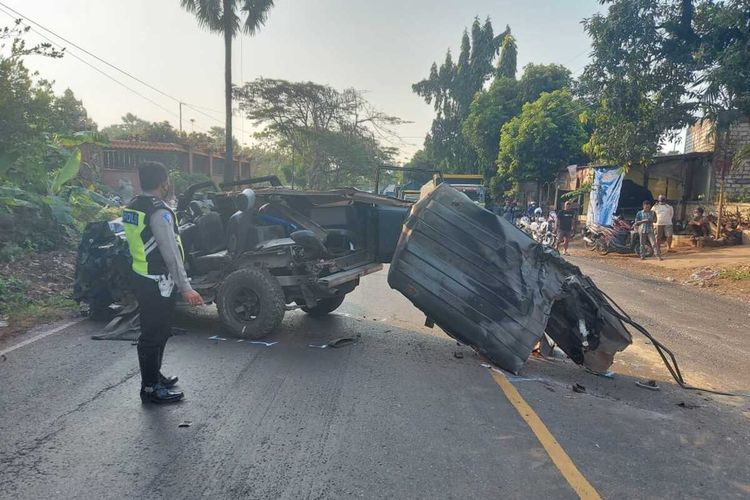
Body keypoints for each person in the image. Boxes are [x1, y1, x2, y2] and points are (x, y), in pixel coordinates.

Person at [123, 162, 204, 404]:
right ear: (164, 183)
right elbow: (170, 253)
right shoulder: (159, 212)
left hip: (141, 274)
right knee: (153, 334)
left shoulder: (133, 206)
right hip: (158, 281)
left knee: (159, 330)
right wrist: (186, 287)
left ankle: (154, 376)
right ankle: (149, 388)